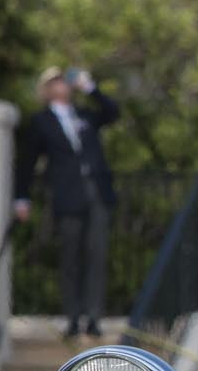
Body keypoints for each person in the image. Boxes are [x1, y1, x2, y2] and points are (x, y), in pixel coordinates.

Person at [13, 65, 120, 340]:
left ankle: (93, 317)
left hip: (95, 190)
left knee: (96, 255)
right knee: (70, 257)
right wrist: (21, 197)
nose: (63, 84)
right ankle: (73, 317)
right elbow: (27, 162)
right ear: (47, 90)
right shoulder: (41, 122)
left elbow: (113, 112)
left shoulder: (84, 115)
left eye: (64, 80)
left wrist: (90, 88)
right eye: (56, 81)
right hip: (67, 195)